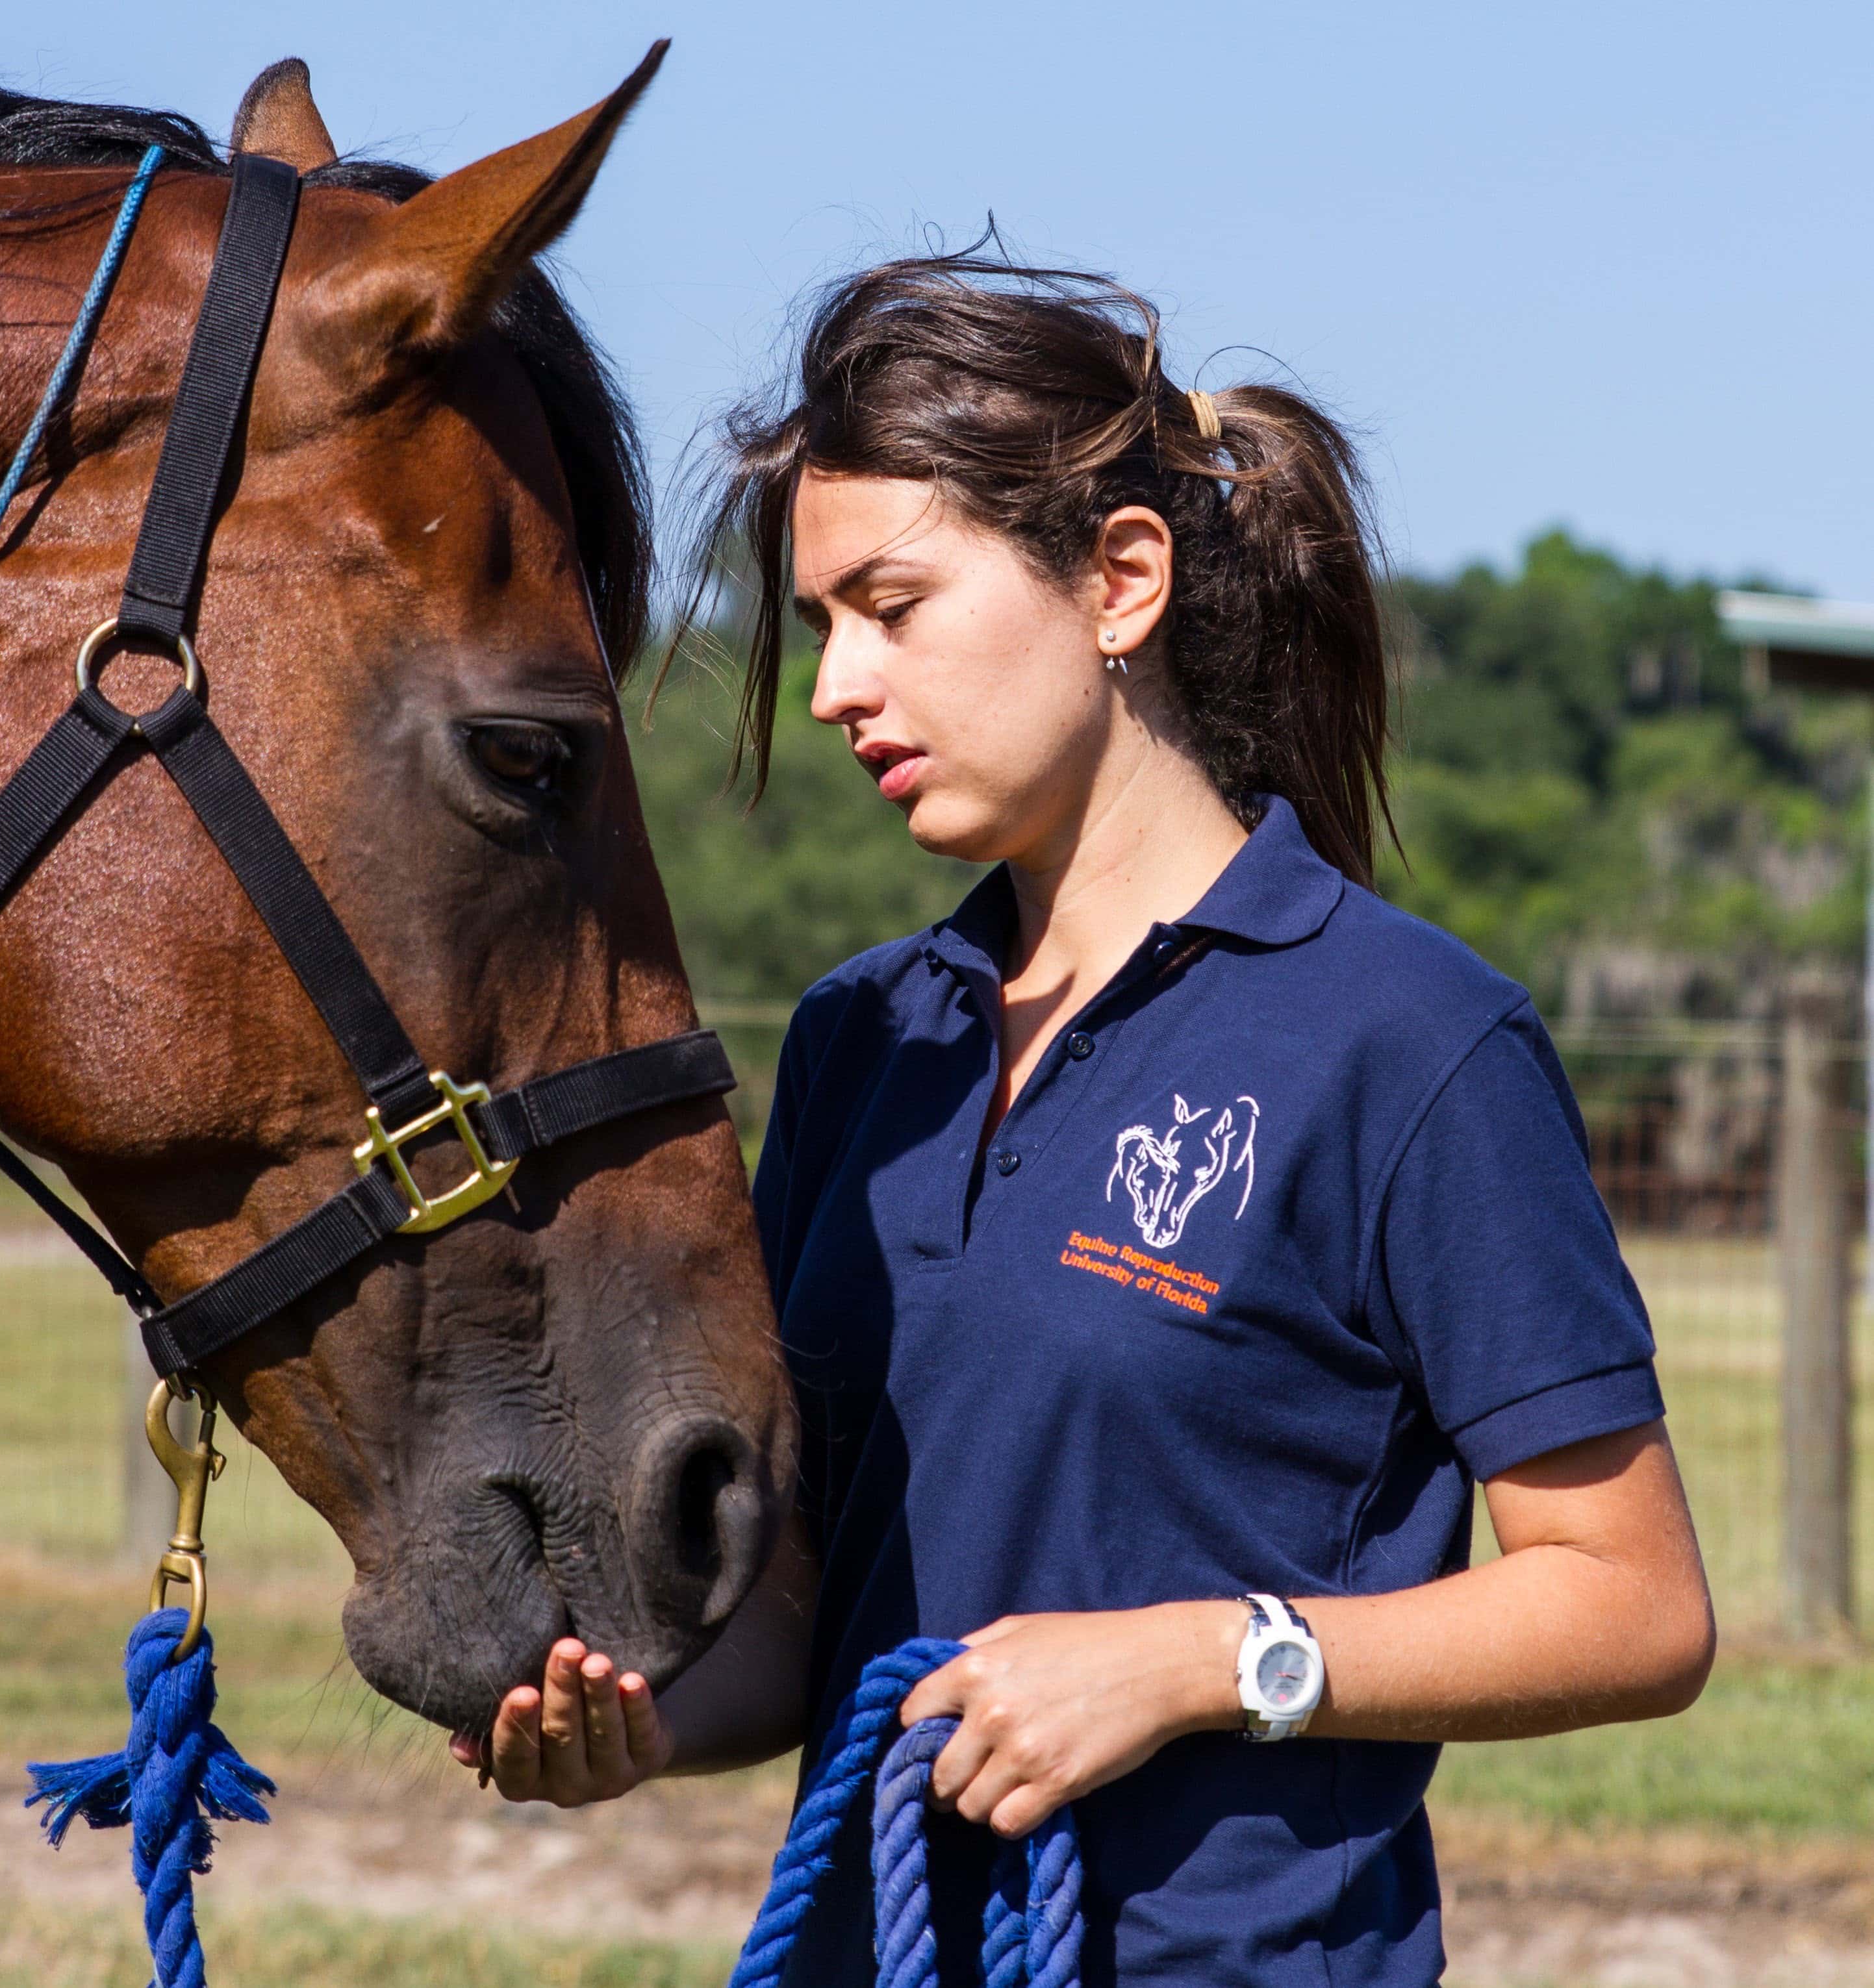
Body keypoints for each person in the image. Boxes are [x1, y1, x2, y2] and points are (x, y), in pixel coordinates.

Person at [449, 252, 1715, 1987]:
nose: (833, 689)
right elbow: (819, 1605)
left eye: (891, 606)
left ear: (1121, 582)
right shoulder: (856, 1041)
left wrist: (1201, 1663)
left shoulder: (1409, 1039)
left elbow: (1633, 1608)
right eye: (820, 625)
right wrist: (642, 1718)